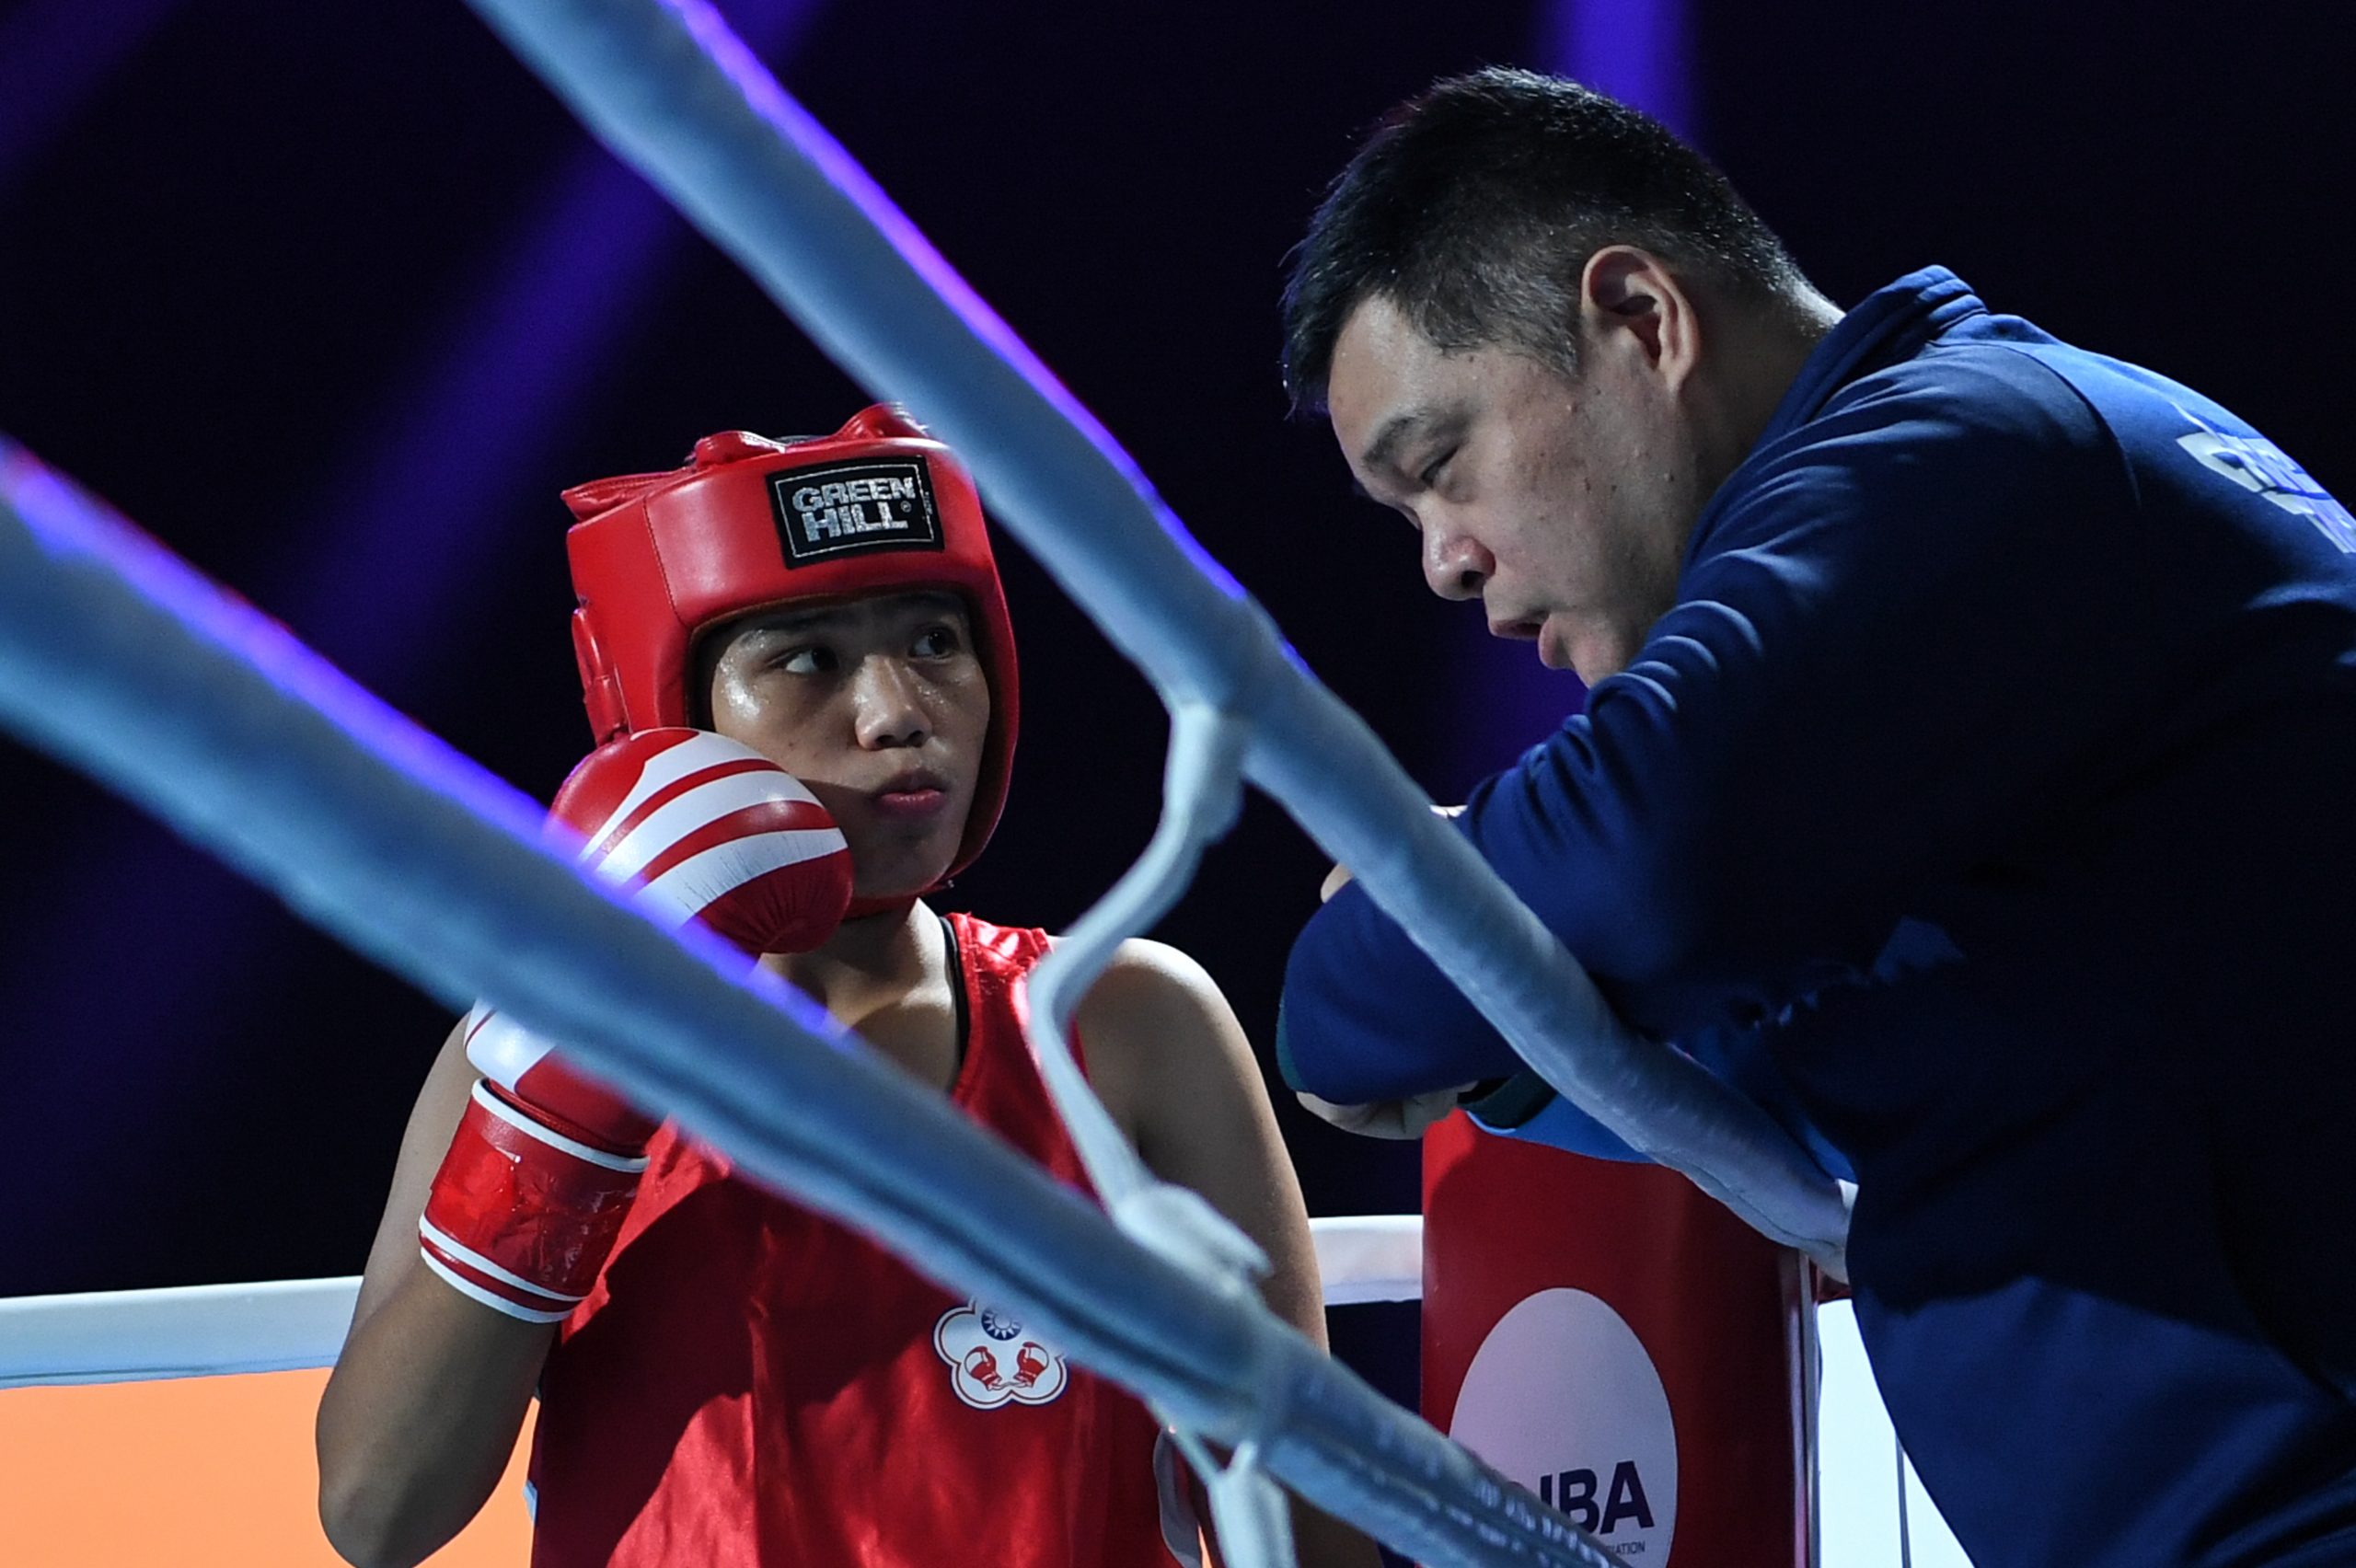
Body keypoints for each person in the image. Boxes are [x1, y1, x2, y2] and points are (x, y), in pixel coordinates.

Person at [1273, 66, 2356, 1568]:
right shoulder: (1937, 584)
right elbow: (1794, 1049)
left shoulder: (1960, 458)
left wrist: (1406, 918)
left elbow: (1621, 857)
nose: (1444, 566)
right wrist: (1496, 1018)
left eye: (1441, 467)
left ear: (1642, 319)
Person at [316, 406, 1375, 1568]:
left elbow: (1313, 1524)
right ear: (666, 711)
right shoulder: (516, 1047)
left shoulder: (1121, 1025)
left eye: (932, 641)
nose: (897, 713)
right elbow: (379, 1513)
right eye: (806, 659)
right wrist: (573, 1100)